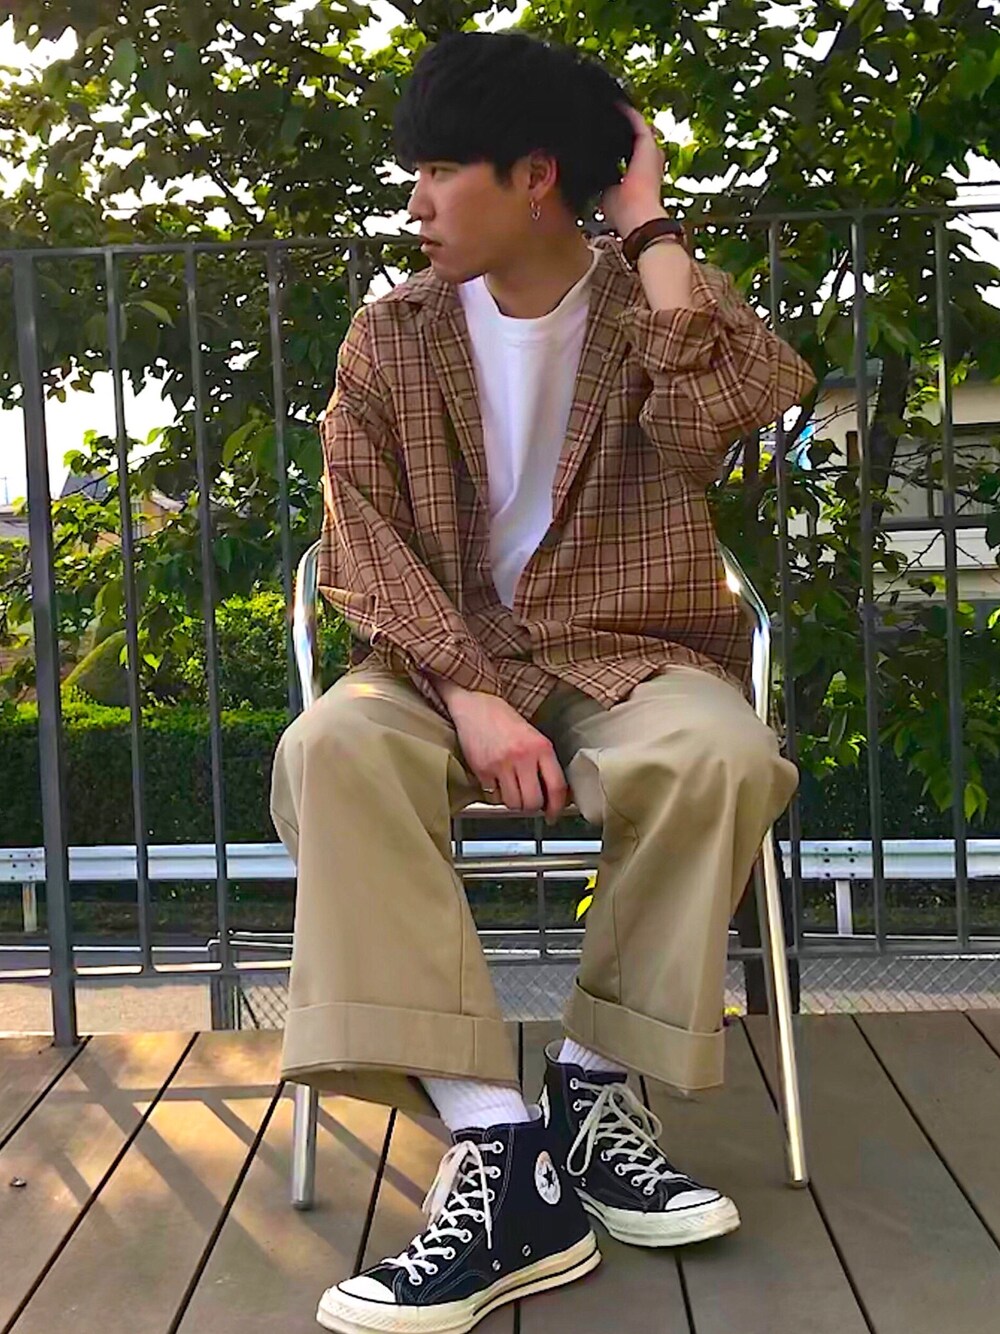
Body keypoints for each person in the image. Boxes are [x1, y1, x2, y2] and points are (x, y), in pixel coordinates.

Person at [270, 29, 814, 1334]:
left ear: (534, 177)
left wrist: (652, 223)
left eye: (440, 170)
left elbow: (722, 424)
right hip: (436, 661)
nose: (415, 202)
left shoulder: (655, 309)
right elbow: (359, 537)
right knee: (329, 749)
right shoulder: (390, 334)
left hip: (626, 650)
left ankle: (592, 1084)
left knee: (723, 753)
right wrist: (467, 689)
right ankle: (498, 1140)